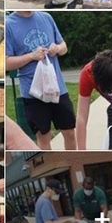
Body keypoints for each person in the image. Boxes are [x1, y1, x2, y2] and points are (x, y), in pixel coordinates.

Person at [6, 11, 76, 150]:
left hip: (58, 89)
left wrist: (57, 48)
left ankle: (72, 163)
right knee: (44, 137)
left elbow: (64, 47)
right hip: (34, 93)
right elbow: (7, 63)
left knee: (69, 133)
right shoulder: (9, 24)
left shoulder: (46, 17)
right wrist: (32, 56)